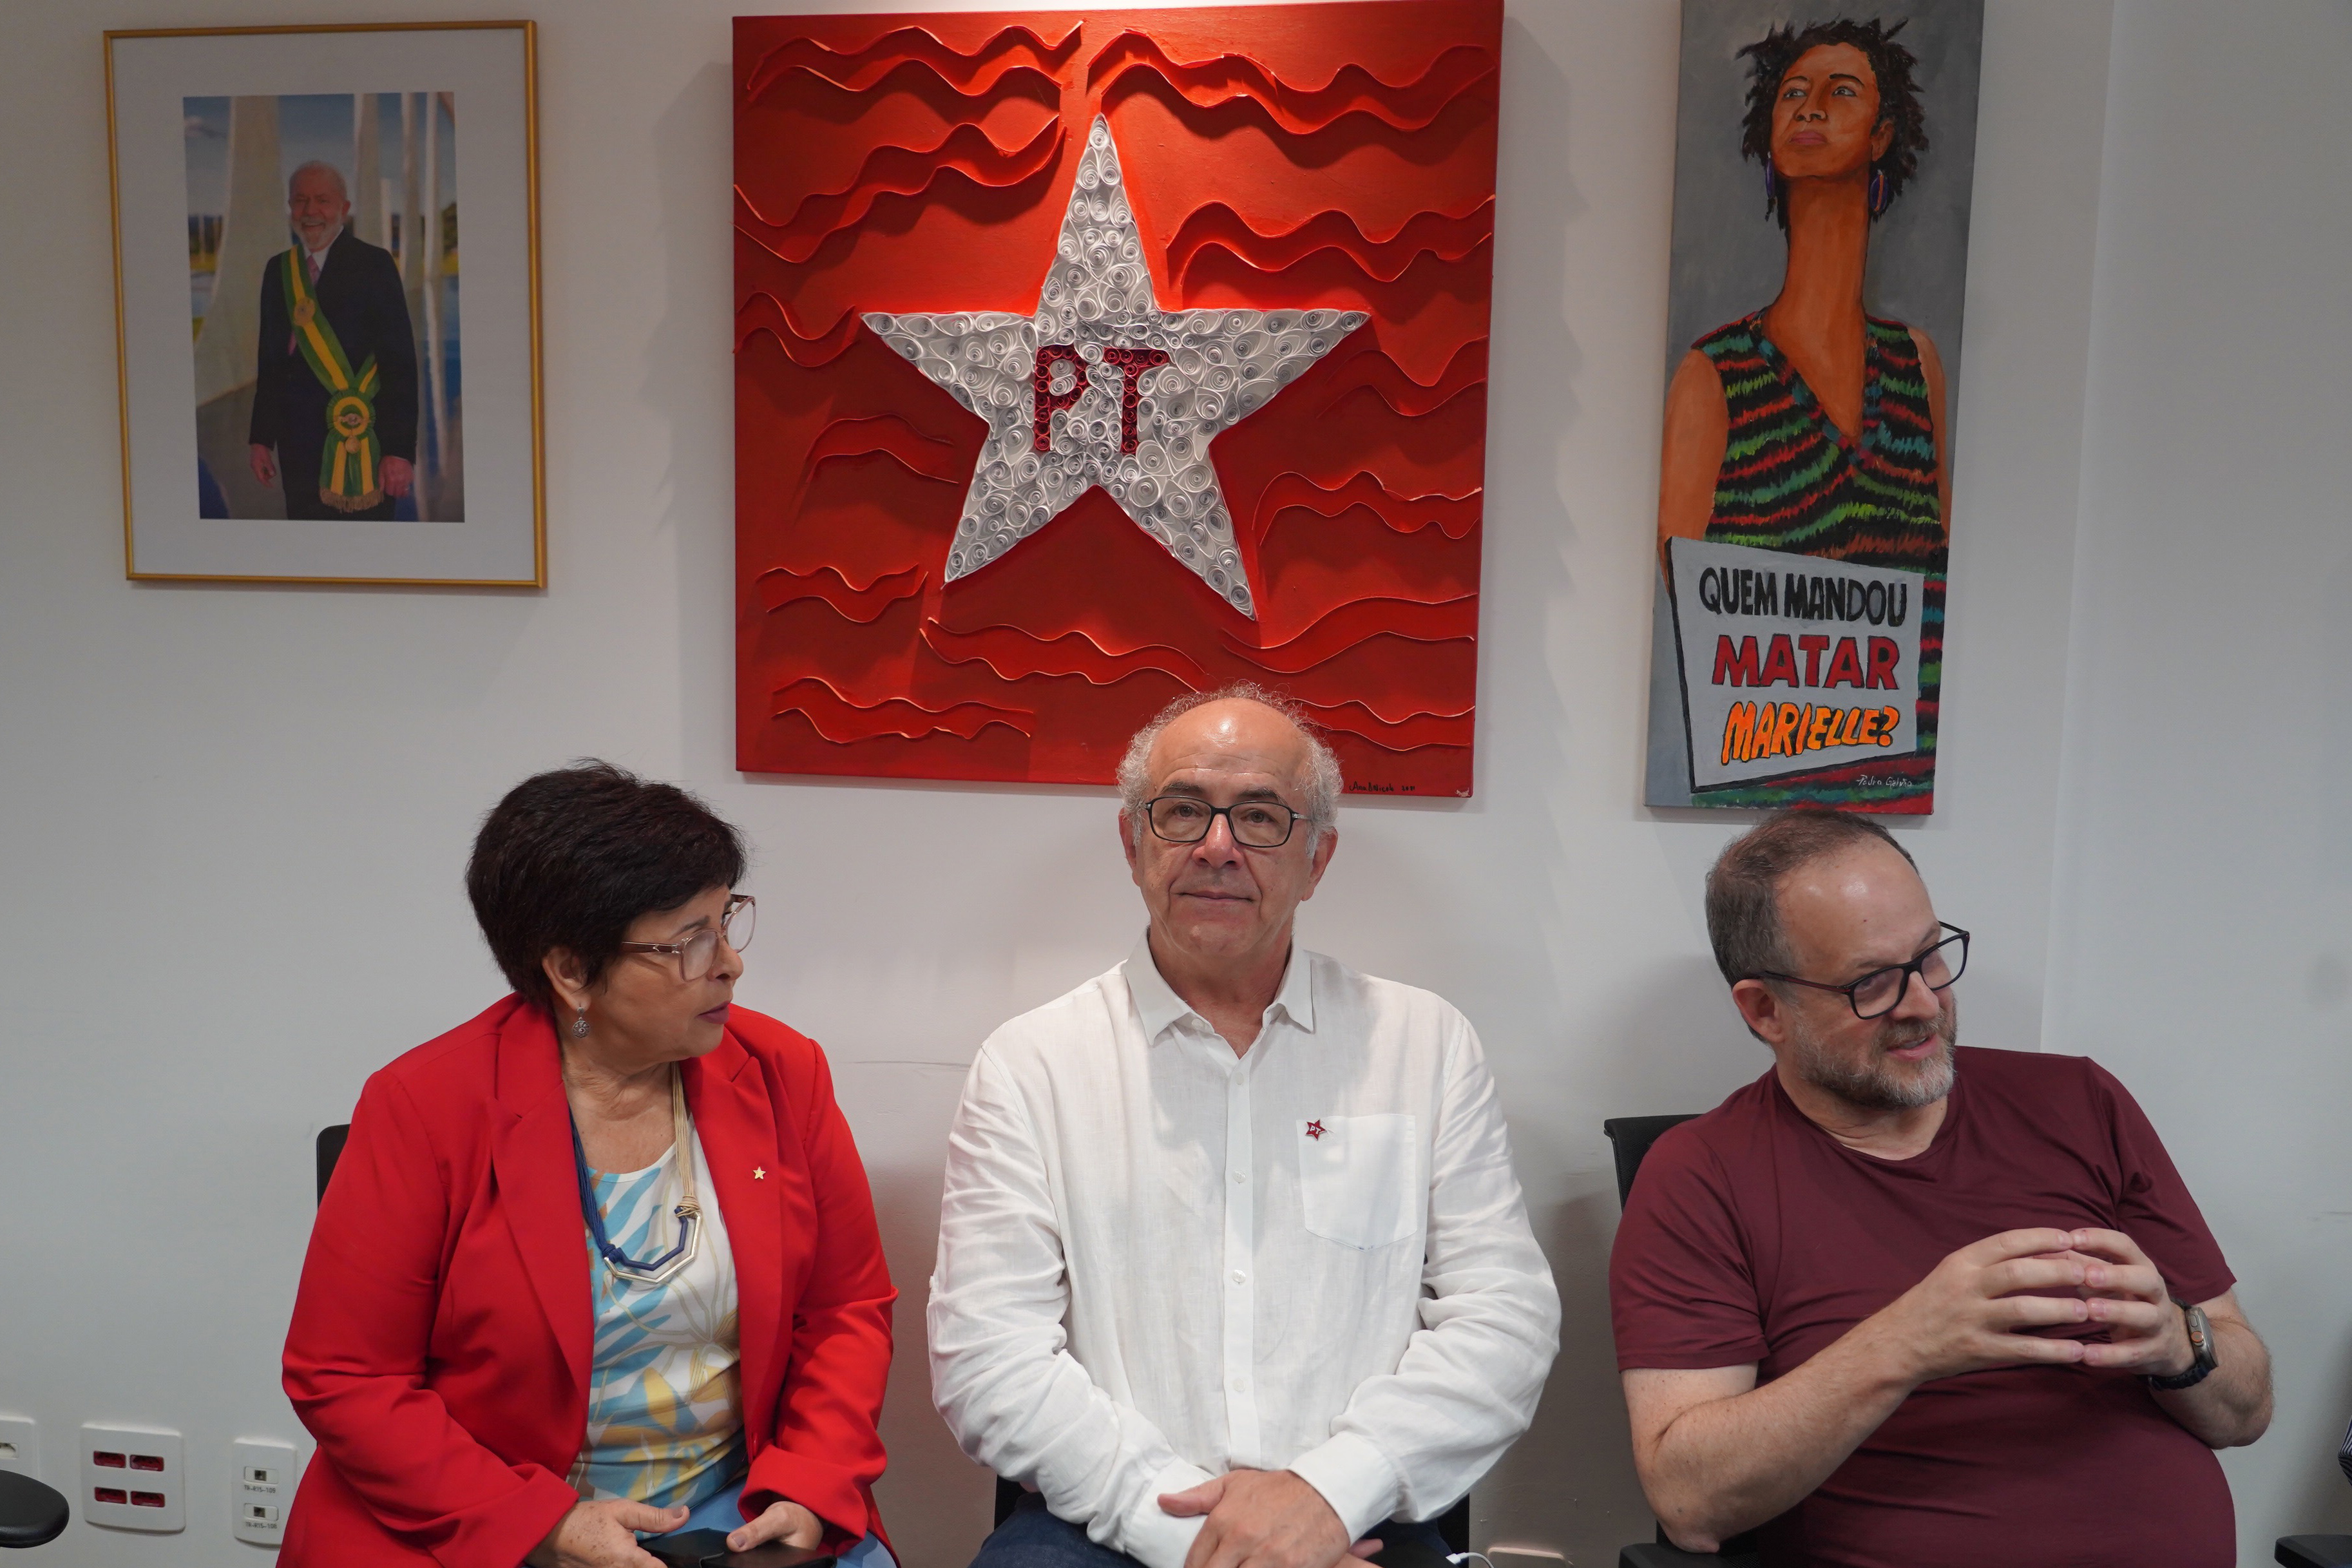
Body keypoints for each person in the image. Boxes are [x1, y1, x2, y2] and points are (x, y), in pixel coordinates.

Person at [931, 685, 1560, 1568]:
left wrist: (1326, 1493)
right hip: (1103, 1525)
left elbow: (1503, 1319)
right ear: (1133, 842)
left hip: (1357, 1517)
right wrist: (1199, 1534)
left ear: (1317, 858)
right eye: (1183, 810)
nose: (1216, 846)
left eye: (1260, 816)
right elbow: (988, 1356)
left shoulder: (1424, 1044)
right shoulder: (1031, 1064)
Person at [1611, 810, 2272, 1567]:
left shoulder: (2080, 1102)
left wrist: (2180, 1343)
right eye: (1871, 983)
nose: (1924, 1002)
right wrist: (1907, 1342)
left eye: (1929, 956)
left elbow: (2246, 1411)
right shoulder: (1701, 1174)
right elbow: (1690, 1503)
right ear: (1766, 1011)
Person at [282, 762, 897, 1568]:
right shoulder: (424, 1106)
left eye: (726, 921)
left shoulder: (782, 1072)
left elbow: (846, 1309)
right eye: (689, 941)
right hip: (487, 1514)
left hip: (730, 1509)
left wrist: (810, 1482)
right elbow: (347, 1377)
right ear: (572, 970)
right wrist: (540, 1523)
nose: (729, 964)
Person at [1656, 20, 1947, 810]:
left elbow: (1937, 580)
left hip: (1895, 787)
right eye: (1793, 93)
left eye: (1841, 91)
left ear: (1882, 134)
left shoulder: (1915, 365)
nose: (1810, 107)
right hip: (1757, 791)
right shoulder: (1714, 376)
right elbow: (1699, 612)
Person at [248, 160, 418, 520]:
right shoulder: (278, 270)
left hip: (364, 441)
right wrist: (261, 439)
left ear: (344, 208)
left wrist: (400, 451)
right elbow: (271, 361)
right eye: (300, 200)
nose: (310, 211)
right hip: (297, 447)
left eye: (323, 200)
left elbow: (399, 364)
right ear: (290, 207)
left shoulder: (375, 264)